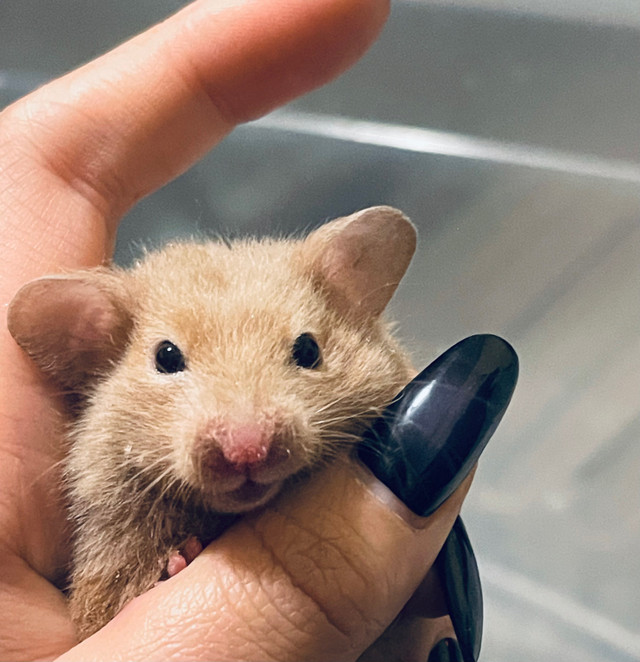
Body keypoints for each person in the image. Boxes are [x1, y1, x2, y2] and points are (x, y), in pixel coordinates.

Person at [0, 1, 503, 660]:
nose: (246, 440)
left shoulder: (361, 381)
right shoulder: (108, 478)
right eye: (171, 361)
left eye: (303, 352)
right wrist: (142, 593)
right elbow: (98, 615)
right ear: (92, 349)